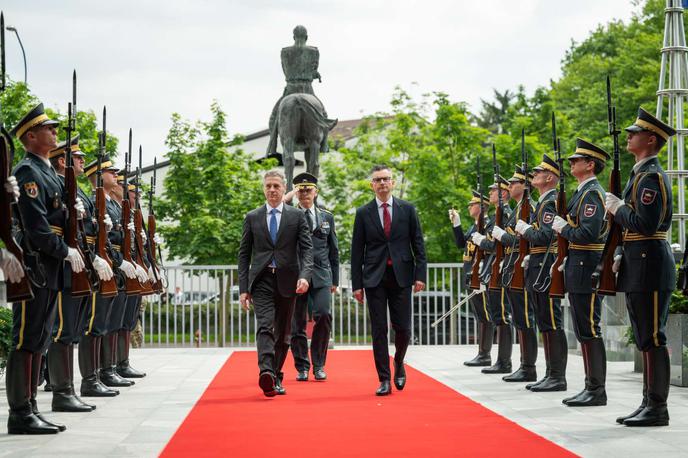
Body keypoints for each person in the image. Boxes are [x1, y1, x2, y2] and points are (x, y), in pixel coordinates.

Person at [6, 103, 82, 434]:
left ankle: (32, 407)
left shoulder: (48, 171)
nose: (54, 132)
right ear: (31, 136)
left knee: (40, 337)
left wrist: (73, 212)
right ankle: (20, 412)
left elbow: (56, 216)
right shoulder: (27, 172)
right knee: (26, 338)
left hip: (49, 266)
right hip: (35, 263)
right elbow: (36, 227)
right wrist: (63, 249)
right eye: (48, 129)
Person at [605, 108, 676, 426]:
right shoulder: (639, 174)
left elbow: (645, 224)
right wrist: (620, 249)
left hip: (651, 263)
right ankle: (648, 402)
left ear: (651, 139)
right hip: (638, 262)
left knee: (653, 337)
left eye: (635, 132)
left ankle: (658, 407)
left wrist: (619, 209)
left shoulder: (650, 177)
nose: (629, 136)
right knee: (644, 336)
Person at [46, 136, 115, 411]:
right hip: (66, 263)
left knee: (75, 329)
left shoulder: (77, 189)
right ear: (63, 161)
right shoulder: (58, 184)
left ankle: (76, 386)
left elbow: (85, 227)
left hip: (83, 261)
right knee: (63, 330)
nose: (83, 162)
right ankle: (62, 391)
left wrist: (100, 231)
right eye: (78, 158)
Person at [350, 164, 427, 396]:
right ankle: (383, 378)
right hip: (374, 277)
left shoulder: (408, 210)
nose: (383, 183)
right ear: (371, 185)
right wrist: (357, 285)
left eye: (386, 179)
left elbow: (418, 245)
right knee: (379, 330)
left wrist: (420, 275)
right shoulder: (363, 213)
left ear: (393, 183)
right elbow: (356, 252)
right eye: (378, 180)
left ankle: (399, 362)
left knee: (403, 328)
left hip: (402, 276)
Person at [238, 170, 313, 397]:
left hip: (288, 280)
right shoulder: (252, 217)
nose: (272, 190)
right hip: (261, 280)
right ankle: (266, 372)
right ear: (263, 189)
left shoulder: (296, 217)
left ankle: (276, 375)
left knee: (283, 334)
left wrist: (305, 275)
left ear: (283, 190)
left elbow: (307, 250)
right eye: (268, 186)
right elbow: (244, 255)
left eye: (276, 186)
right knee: (265, 326)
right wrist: (243, 289)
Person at [552, 139, 609, 407]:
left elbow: (588, 232)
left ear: (590, 164)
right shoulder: (581, 192)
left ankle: (596, 389)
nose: (572, 163)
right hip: (578, 264)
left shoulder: (593, 194)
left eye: (577, 160)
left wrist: (563, 228)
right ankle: (591, 386)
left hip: (587, 265)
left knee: (589, 328)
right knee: (583, 328)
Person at [515, 154, 568, 392]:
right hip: (538, 264)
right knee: (545, 322)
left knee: (551, 321)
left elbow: (546, 236)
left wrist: (525, 230)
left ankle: (557, 375)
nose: (533, 175)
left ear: (549, 177)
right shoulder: (544, 202)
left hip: (545, 266)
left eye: (538, 172)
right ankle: (551, 373)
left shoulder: (549, 202)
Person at [288, 172, 339, 382]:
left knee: (324, 315)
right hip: (297, 275)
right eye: (300, 190)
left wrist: (335, 279)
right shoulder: (289, 216)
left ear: (315, 192)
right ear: (296, 193)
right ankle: (302, 366)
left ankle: (319, 364)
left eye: (308, 189)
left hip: (321, 275)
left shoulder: (327, 217)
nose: (305, 193)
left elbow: (333, 249)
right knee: (297, 323)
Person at [494, 167, 538, 382]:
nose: (509, 187)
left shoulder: (530, 208)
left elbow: (527, 239)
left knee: (525, 317)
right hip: (513, 266)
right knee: (519, 318)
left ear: (525, 185)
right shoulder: (516, 209)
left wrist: (503, 237)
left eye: (513, 183)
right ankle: (524, 365)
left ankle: (529, 366)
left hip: (523, 267)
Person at [472, 176, 513, 374]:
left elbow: (499, 245)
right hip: (492, 268)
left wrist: (482, 242)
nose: (489, 195)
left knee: (503, 315)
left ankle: (504, 361)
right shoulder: (499, 213)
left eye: (493, 191)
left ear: (503, 193)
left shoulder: (505, 213)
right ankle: (501, 360)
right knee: (498, 315)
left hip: (501, 267)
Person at [449, 191, 492, 367]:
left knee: (484, 315)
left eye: (472, 204)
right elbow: (462, 244)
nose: (469, 207)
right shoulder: (474, 226)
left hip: (480, 275)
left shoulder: (487, 225)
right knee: (479, 314)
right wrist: (456, 223)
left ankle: (485, 354)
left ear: (481, 207)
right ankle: (482, 353)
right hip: (470, 274)